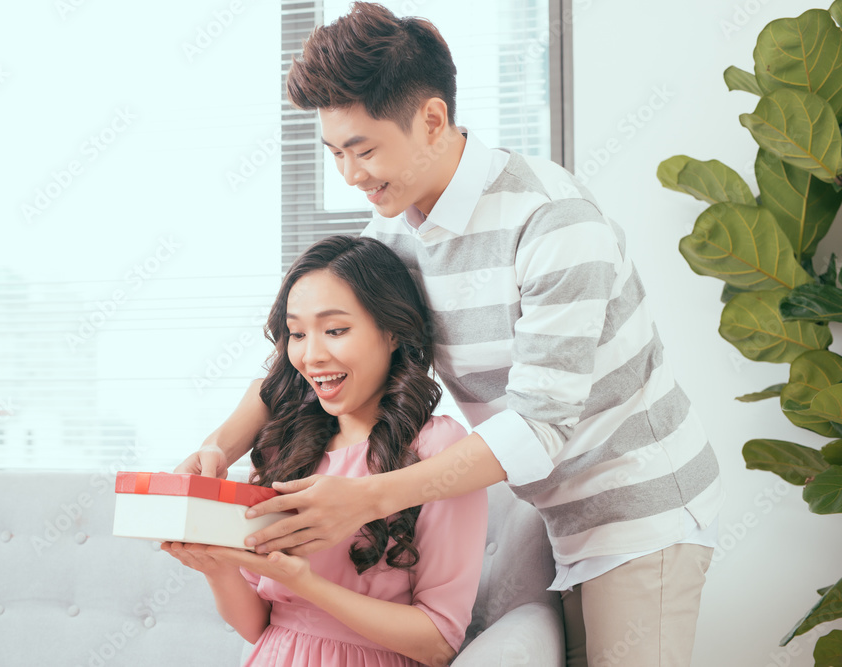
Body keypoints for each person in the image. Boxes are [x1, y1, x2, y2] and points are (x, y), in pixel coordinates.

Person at [176, 3, 724, 666]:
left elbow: (536, 427)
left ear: (432, 120)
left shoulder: (553, 223)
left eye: (364, 149)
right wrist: (216, 448)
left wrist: (367, 497)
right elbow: (299, 360)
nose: (350, 174)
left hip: (640, 513)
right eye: (335, 152)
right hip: (560, 517)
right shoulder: (394, 230)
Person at [164, 235, 488, 667]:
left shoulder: (438, 451)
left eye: (335, 330)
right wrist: (215, 566)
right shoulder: (289, 444)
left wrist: (305, 582)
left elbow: (438, 643)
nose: (311, 355)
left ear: (392, 332)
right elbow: (259, 626)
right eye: (297, 333)